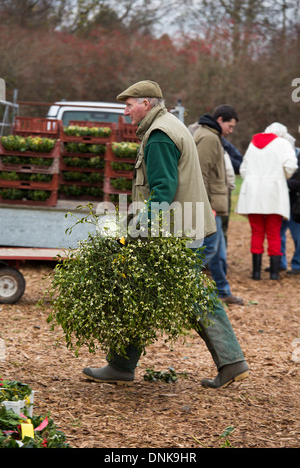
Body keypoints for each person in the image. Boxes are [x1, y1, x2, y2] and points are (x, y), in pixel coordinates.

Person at [83, 80, 249, 388]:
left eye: (129, 103)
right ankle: (122, 364)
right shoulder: (167, 125)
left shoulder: (159, 136)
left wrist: (135, 230)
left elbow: (162, 191)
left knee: (178, 295)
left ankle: (230, 361)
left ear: (146, 104)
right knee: (148, 291)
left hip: (176, 231)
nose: (126, 109)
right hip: (184, 227)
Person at [193, 105, 243, 305]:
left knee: (219, 253)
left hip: (214, 204)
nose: (231, 130)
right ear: (220, 119)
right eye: (230, 126)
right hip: (209, 205)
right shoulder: (208, 138)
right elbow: (200, 174)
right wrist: (206, 206)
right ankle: (179, 280)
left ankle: (223, 290)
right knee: (210, 248)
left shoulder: (213, 136)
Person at [236, 122, 298, 280]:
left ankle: (256, 273)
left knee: (256, 232)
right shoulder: (282, 143)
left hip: (253, 195)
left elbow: (243, 169)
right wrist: (280, 178)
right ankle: (274, 274)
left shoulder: (253, 144)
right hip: (274, 195)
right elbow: (291, 166)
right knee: (274, 233)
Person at [280, 146, 300, 274]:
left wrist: (282, 182)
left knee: (298, 236)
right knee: (278, 234)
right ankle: (280, 263)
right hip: (281, 203)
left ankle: (297, 265)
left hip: (295, 205)